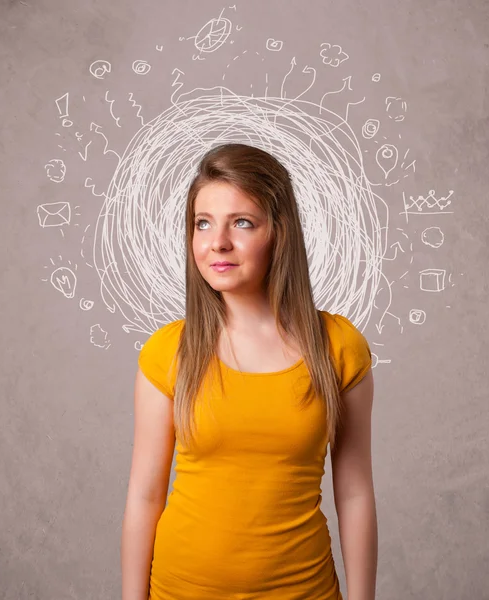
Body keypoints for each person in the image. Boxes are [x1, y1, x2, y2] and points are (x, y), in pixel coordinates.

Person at [121, 143, 378, 600]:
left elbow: (355, 493)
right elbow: (144, 495)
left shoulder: (339, 347)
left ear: (279, 232)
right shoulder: (167, 351)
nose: (217, 241)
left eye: (241, 222)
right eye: (203, 223)